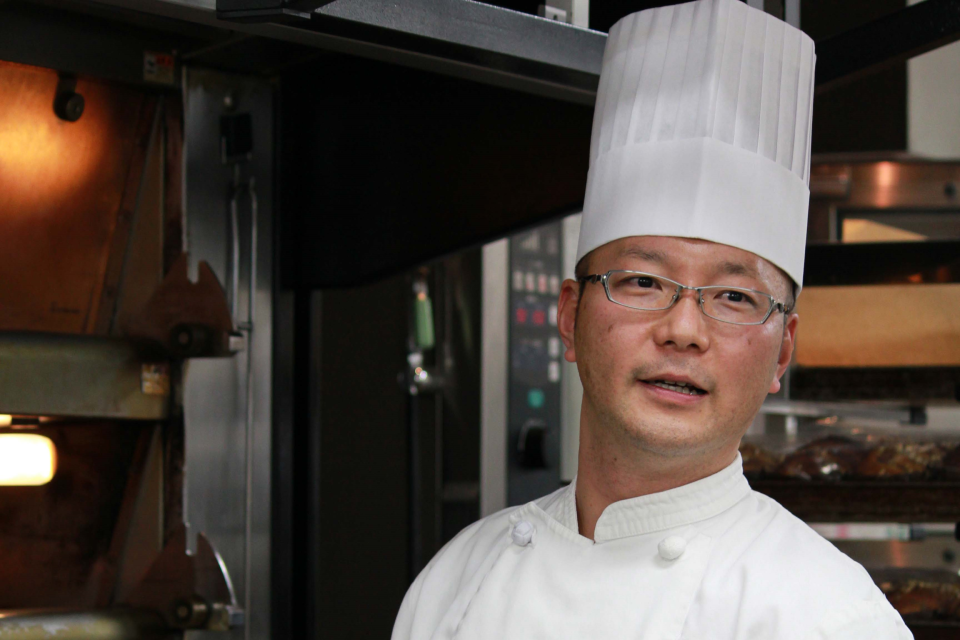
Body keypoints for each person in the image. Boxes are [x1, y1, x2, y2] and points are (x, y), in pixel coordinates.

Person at [392, 0, 912, 637]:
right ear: (570, 316)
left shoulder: (828, 617)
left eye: (734, 297)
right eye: (642, 282)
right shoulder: (456, 584)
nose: (683, 331)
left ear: (782, 352)